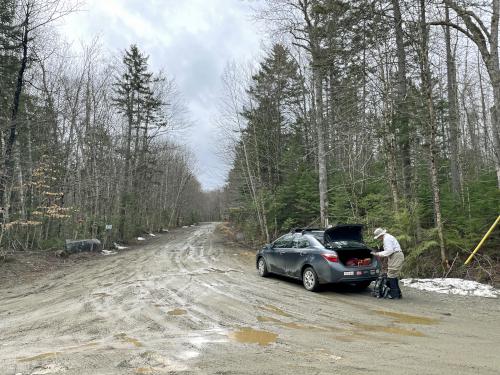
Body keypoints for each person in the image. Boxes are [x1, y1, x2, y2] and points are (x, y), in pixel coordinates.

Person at [372, 228, 404, 299]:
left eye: (378, 237)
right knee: (393, 275)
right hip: (395, 255)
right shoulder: (388, 237)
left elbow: (389, 251)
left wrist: (378, 254)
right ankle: (398, 294)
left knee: (391, 275)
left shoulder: (386, 239)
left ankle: (394, 295)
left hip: (395, 255)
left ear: (380, 235)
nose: (378, 239)